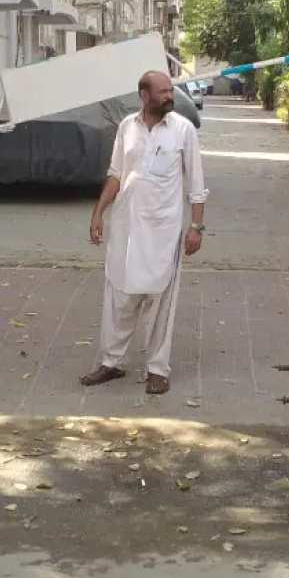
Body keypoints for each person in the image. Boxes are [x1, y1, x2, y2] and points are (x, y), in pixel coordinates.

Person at [80, 70, 208, 395]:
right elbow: (116, 174)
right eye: (163, 92)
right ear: (144, 95)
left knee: (159, 301)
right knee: (119, 297)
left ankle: (157, 369)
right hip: (126, 228)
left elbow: (196, 184)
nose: (170, 97)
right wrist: (98, 213)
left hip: (163, 232)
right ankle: (111, 362)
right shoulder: (127, 126)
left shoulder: (183, 130)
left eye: (171, 91)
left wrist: (196, 227)